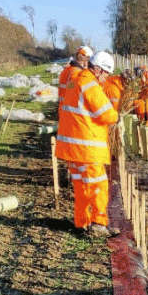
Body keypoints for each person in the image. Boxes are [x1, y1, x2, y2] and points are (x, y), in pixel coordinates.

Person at [56, 51, 119, 237]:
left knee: (82, 186)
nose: (106, 78)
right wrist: (117, 116)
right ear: (98, 70)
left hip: (71, 148)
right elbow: (107, 113)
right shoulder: (90, 84)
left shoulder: (75, 80)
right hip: (86, 148)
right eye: (106, 73)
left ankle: (81, 223)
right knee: (98, 185)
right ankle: (98, 224)